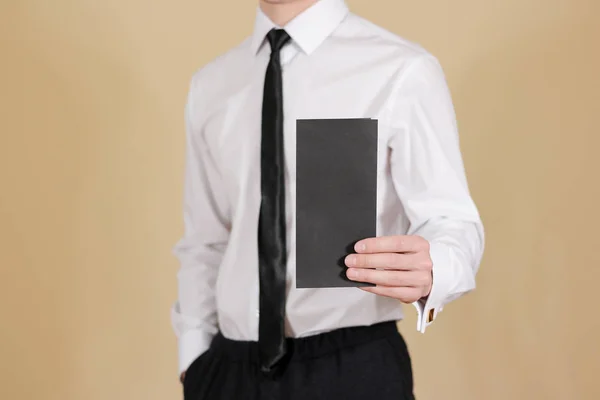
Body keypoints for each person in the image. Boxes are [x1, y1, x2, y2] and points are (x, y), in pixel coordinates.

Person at [171, 0, 484, 399]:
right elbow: (206, 239)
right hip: (226, 370)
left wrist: (435, 268)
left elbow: (451, 219)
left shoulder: (399, 69)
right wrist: (194, 359)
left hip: (349, 368)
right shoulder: (212, 85)